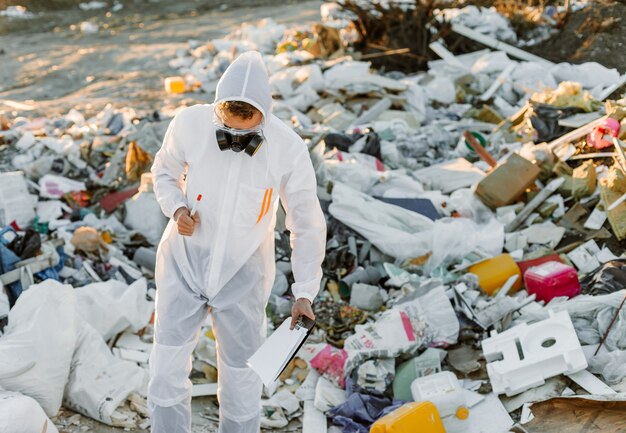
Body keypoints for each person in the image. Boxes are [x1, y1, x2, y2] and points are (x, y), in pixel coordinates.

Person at [147, 50, 327, 433]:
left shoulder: (288, 148)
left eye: (249, 125)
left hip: (243, 274)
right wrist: (177, 209)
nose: (239, 132)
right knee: (165, 369)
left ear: (265, 112)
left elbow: (306, 222)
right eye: (232, 122)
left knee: (241, 381)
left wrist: (305, 291)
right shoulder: (189, 123)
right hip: (184, 262)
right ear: (218, 108)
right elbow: (163, 170)